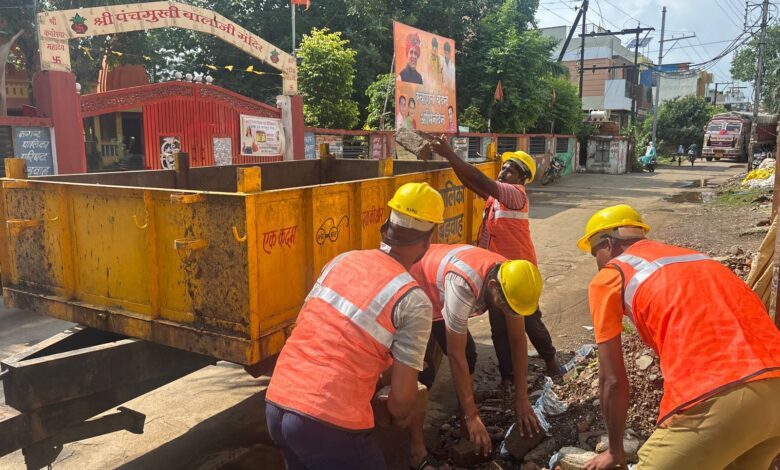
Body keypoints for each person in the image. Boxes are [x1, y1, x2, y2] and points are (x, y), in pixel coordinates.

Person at [577, 204, 780, 470]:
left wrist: (615, 452)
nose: (598, 263)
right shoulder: (695, 258)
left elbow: (612, 381)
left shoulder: (610, 276)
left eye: (595, 254)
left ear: (607, 244)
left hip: (721, 395)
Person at [265, 182, 445, 470]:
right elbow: (400, 404)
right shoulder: (413, 300)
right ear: (426, 243)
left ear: (385, 226)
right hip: (329, 423)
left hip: (277, 405)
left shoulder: (342, 260)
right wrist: (404, 409)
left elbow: (312, 331)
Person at [430, 137, 561, 380]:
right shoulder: (497, 198)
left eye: (511, 170)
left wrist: (450, 152)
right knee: (498, 328)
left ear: (522, 179)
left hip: (518, 271)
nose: (503, 172)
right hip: (497, 272)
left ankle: (552, 361)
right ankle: (508, 376)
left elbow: (480, 180)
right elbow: (471, 182)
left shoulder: (516, 194)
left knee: (530, 322)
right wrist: (449, 158)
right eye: (503, 167)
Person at [409, 244, 544, 466]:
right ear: (492, 286)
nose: (509, 314)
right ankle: (417, 450)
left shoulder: (510, 279)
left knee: (470, 356)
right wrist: (473, 416)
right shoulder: (462, 284)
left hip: (439, 283)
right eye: (507, 308)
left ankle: (466, 429)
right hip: (416, 287)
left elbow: (518, 340)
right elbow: (455, 354)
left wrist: (522, 398)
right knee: (421, 372)